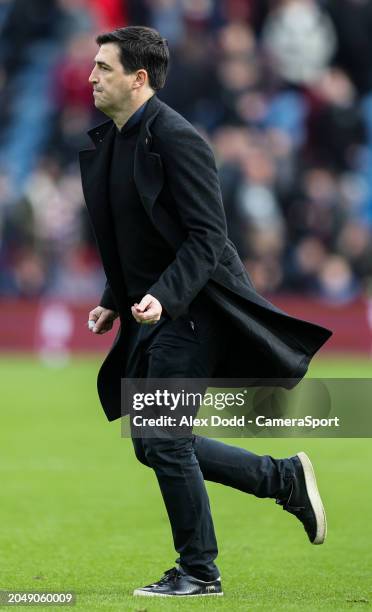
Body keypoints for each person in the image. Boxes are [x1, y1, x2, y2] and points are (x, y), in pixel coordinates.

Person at [79, 26, 332, 598]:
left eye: (103, 67)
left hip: (196, 308)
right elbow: (136, 240)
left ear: (137, 78)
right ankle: (284, 478)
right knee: (152, 441)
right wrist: (111, 300)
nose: (91, 76)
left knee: (164, 438)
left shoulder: (177, 137)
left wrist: (164, 296)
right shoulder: (114, 140)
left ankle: (199, 571)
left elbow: (207, 237)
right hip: (157, 310)